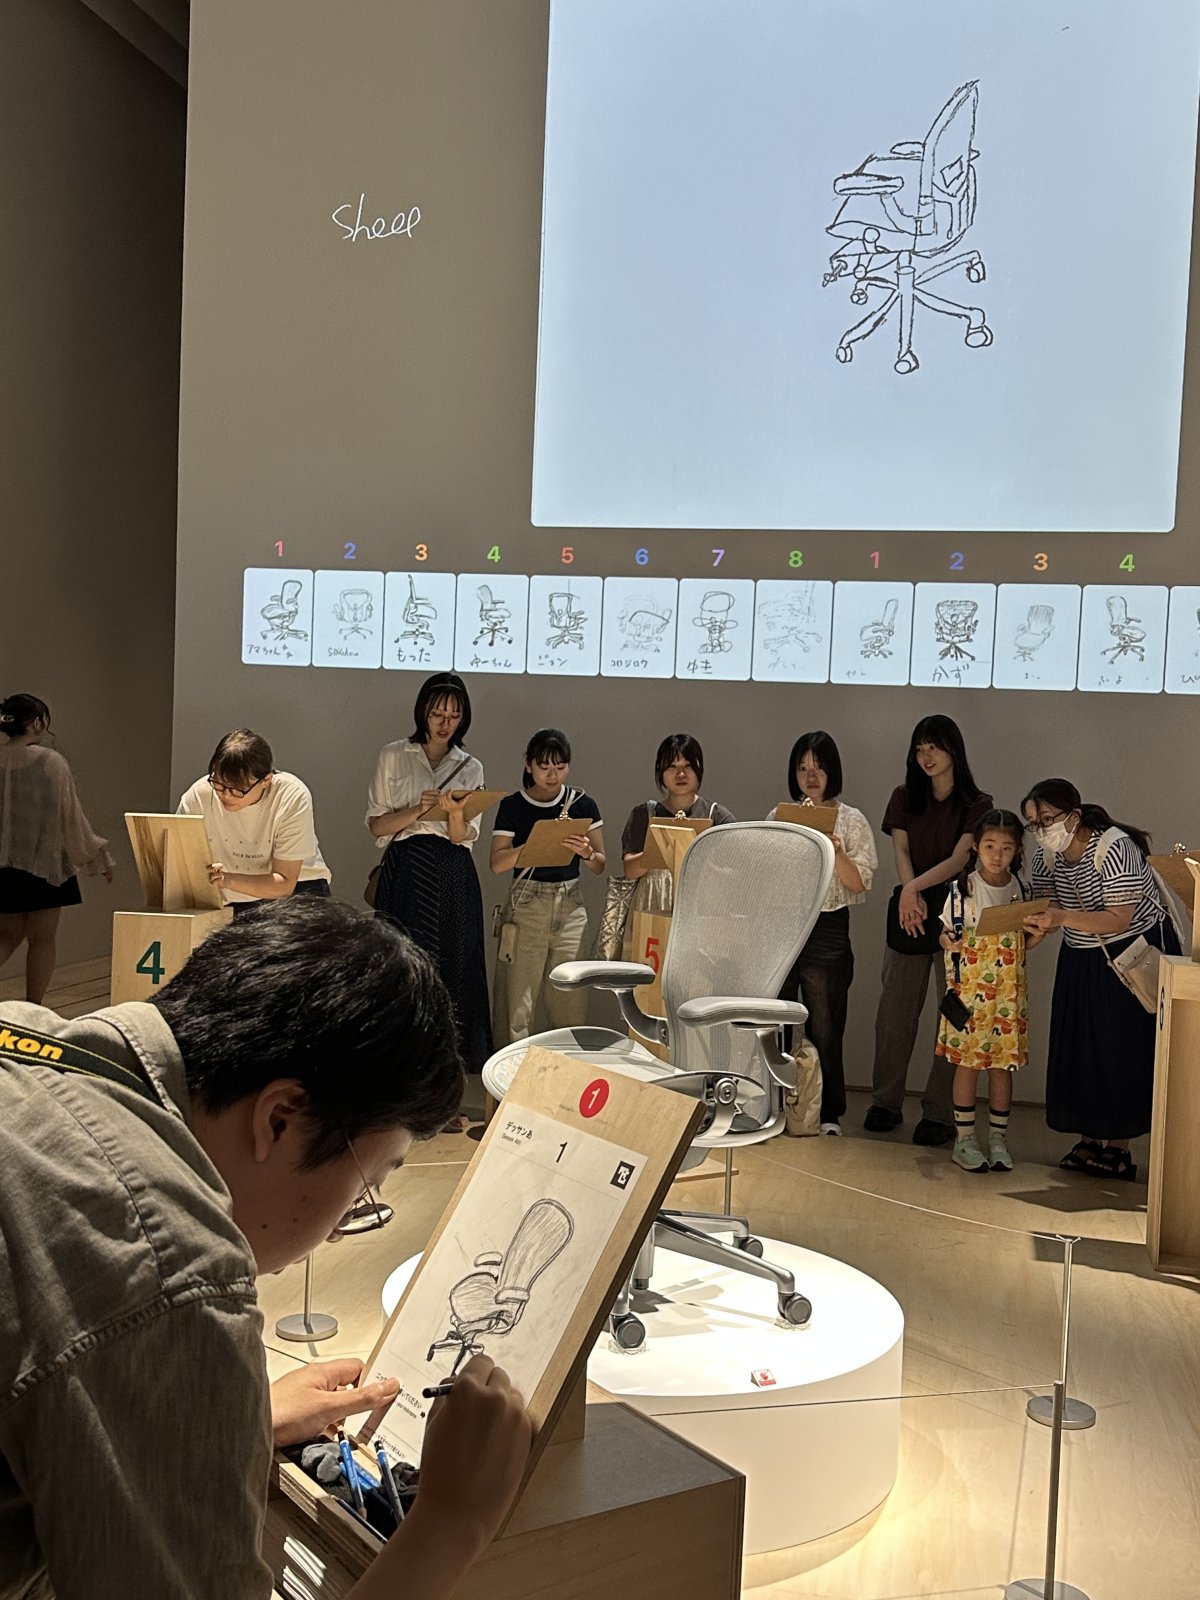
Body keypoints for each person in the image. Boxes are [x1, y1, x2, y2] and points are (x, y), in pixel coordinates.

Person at [0, 897, 532, 1600]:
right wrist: (452, 1521)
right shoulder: (169, 1268)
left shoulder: (26, 1035)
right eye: (365, 1186)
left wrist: (216, 1421)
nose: (340, 1228)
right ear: (280, 1119)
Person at [1022, 779, 1178, 1182]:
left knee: (1121, 1047)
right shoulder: (1046, 855)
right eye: (1033, 823)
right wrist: (1029, 934)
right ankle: (1088, 1138)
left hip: (1130, 952)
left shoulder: (1114, 847)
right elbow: (1048, 907)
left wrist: (1060, 918)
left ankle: (1119, 1146)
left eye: (1046, 819)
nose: (1040, 829)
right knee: (1079, 1045)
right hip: (1081, 953)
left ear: (1073, 817)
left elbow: (1118, 918)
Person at [865, 715, 994, 1145]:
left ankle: (940, 1112)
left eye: (933, 747)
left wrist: (912, 888)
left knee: (953, 1013)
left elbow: (960, 859)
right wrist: (910, 893)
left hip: (955, 911)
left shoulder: (977, 803)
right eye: (919, 749)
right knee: (894, 1015)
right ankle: (885, 1102)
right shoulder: (904, 796)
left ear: (953, 749)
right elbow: (900, 849)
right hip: (911, 910)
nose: (926, 756)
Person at [366, 673, 492, 1075]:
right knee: (402, 965)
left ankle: (446, 1073)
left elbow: (462, 837)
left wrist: (454, 813)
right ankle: (399, 1070)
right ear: (423, 711)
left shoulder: (471, 766)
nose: (445, 723)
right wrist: (418, 810)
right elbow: (377, 826)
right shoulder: (394, 755)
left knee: (454, 968)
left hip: (453, 870)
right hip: (406, 867)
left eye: (454, 716)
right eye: (438, 713)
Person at [767, 731, 877, 1135]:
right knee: (776, 1018)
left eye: (819, 768)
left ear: (833, 772)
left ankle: (828, 1113)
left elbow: (859, 882)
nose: (810, 776)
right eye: (802, 768)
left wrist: (837, 850)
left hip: (829, 924)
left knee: (826, 1024)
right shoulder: (780, 816)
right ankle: (775, 1106)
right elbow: (767, 872)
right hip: (785, 922)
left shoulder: (851, 819)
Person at [936, 811, 1043, 1173]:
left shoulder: (1020, 890)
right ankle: (964, 1139)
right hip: (969, 993)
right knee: (967, 1065)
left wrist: (1036, 936)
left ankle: (998, 1138)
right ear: (976, 847)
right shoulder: (962, 890)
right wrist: (949, 942)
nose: (997, 855)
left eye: (1006, 848)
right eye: (990, 846)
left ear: (1017, 850)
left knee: (1002, 1066)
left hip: (1008, 994)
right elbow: (945, 934)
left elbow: (1024, 944)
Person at [490, 728, 606, 1046]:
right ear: (528, 765)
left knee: (570, 1003)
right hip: (527, 902)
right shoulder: (514, 806)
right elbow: (497, 863)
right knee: (518, 1005)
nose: (552, 774)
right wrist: (536, 845)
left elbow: (599, 864)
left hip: (570, 903)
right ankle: (512, 1073)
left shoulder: (582, 804)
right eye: (543, 766)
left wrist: (586, 852)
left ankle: (563, 1072)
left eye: (560, 766)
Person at [0, 694, 113, 1003]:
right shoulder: (50, 761)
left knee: (7, 935)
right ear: (37, 722)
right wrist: (96, 854)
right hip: (43, 863)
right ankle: (34, 1009)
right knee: (42, 939)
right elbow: (70, 816)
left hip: (4, 866)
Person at [177, 729, 332, 907]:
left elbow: (284, 883)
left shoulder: (291, 796)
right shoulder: (198, 796)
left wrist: (226, 879)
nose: (226, 795)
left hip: (299, 890)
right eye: (219, 784)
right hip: (233, 896)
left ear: (266, 780)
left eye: (237, 789)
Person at [619, 733, 736, 938]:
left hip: (702, 909)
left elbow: (735, 873)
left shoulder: (717, 816)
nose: (680, 774)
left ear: (699, 769)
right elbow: (629, 870)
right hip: (652, 904)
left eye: (688, 766)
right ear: (660, 772)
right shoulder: (644, 814)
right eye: (672, 766)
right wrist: (661, 849)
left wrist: (703, 861)